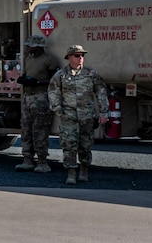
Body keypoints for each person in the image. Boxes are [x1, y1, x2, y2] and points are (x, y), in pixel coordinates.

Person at [47, 45, 110, 184]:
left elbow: (101, 92)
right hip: (68, 116)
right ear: (69, 57)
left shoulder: (91, 74)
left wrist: (104, 112)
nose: (80, 58)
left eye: (82, 55)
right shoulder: (61, 75)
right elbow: (53, 92)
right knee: (69, 145)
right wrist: (58, 109)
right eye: (77, 55)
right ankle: (71, 173)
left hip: (86, 117)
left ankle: (84, 171)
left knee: (85, 145)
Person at [17, 38, 58, 172]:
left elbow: (55, 80)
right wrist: (23, 79)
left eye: (31, 47)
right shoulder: (29, 59)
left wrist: (38, 83)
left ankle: (42, 161)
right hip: (27, 98)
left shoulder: (49, 60)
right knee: (26, 129)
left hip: (41, 98)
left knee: (40, 130)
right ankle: (27, 159)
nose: (29, 49)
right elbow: (26, 74)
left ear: (39, 47)